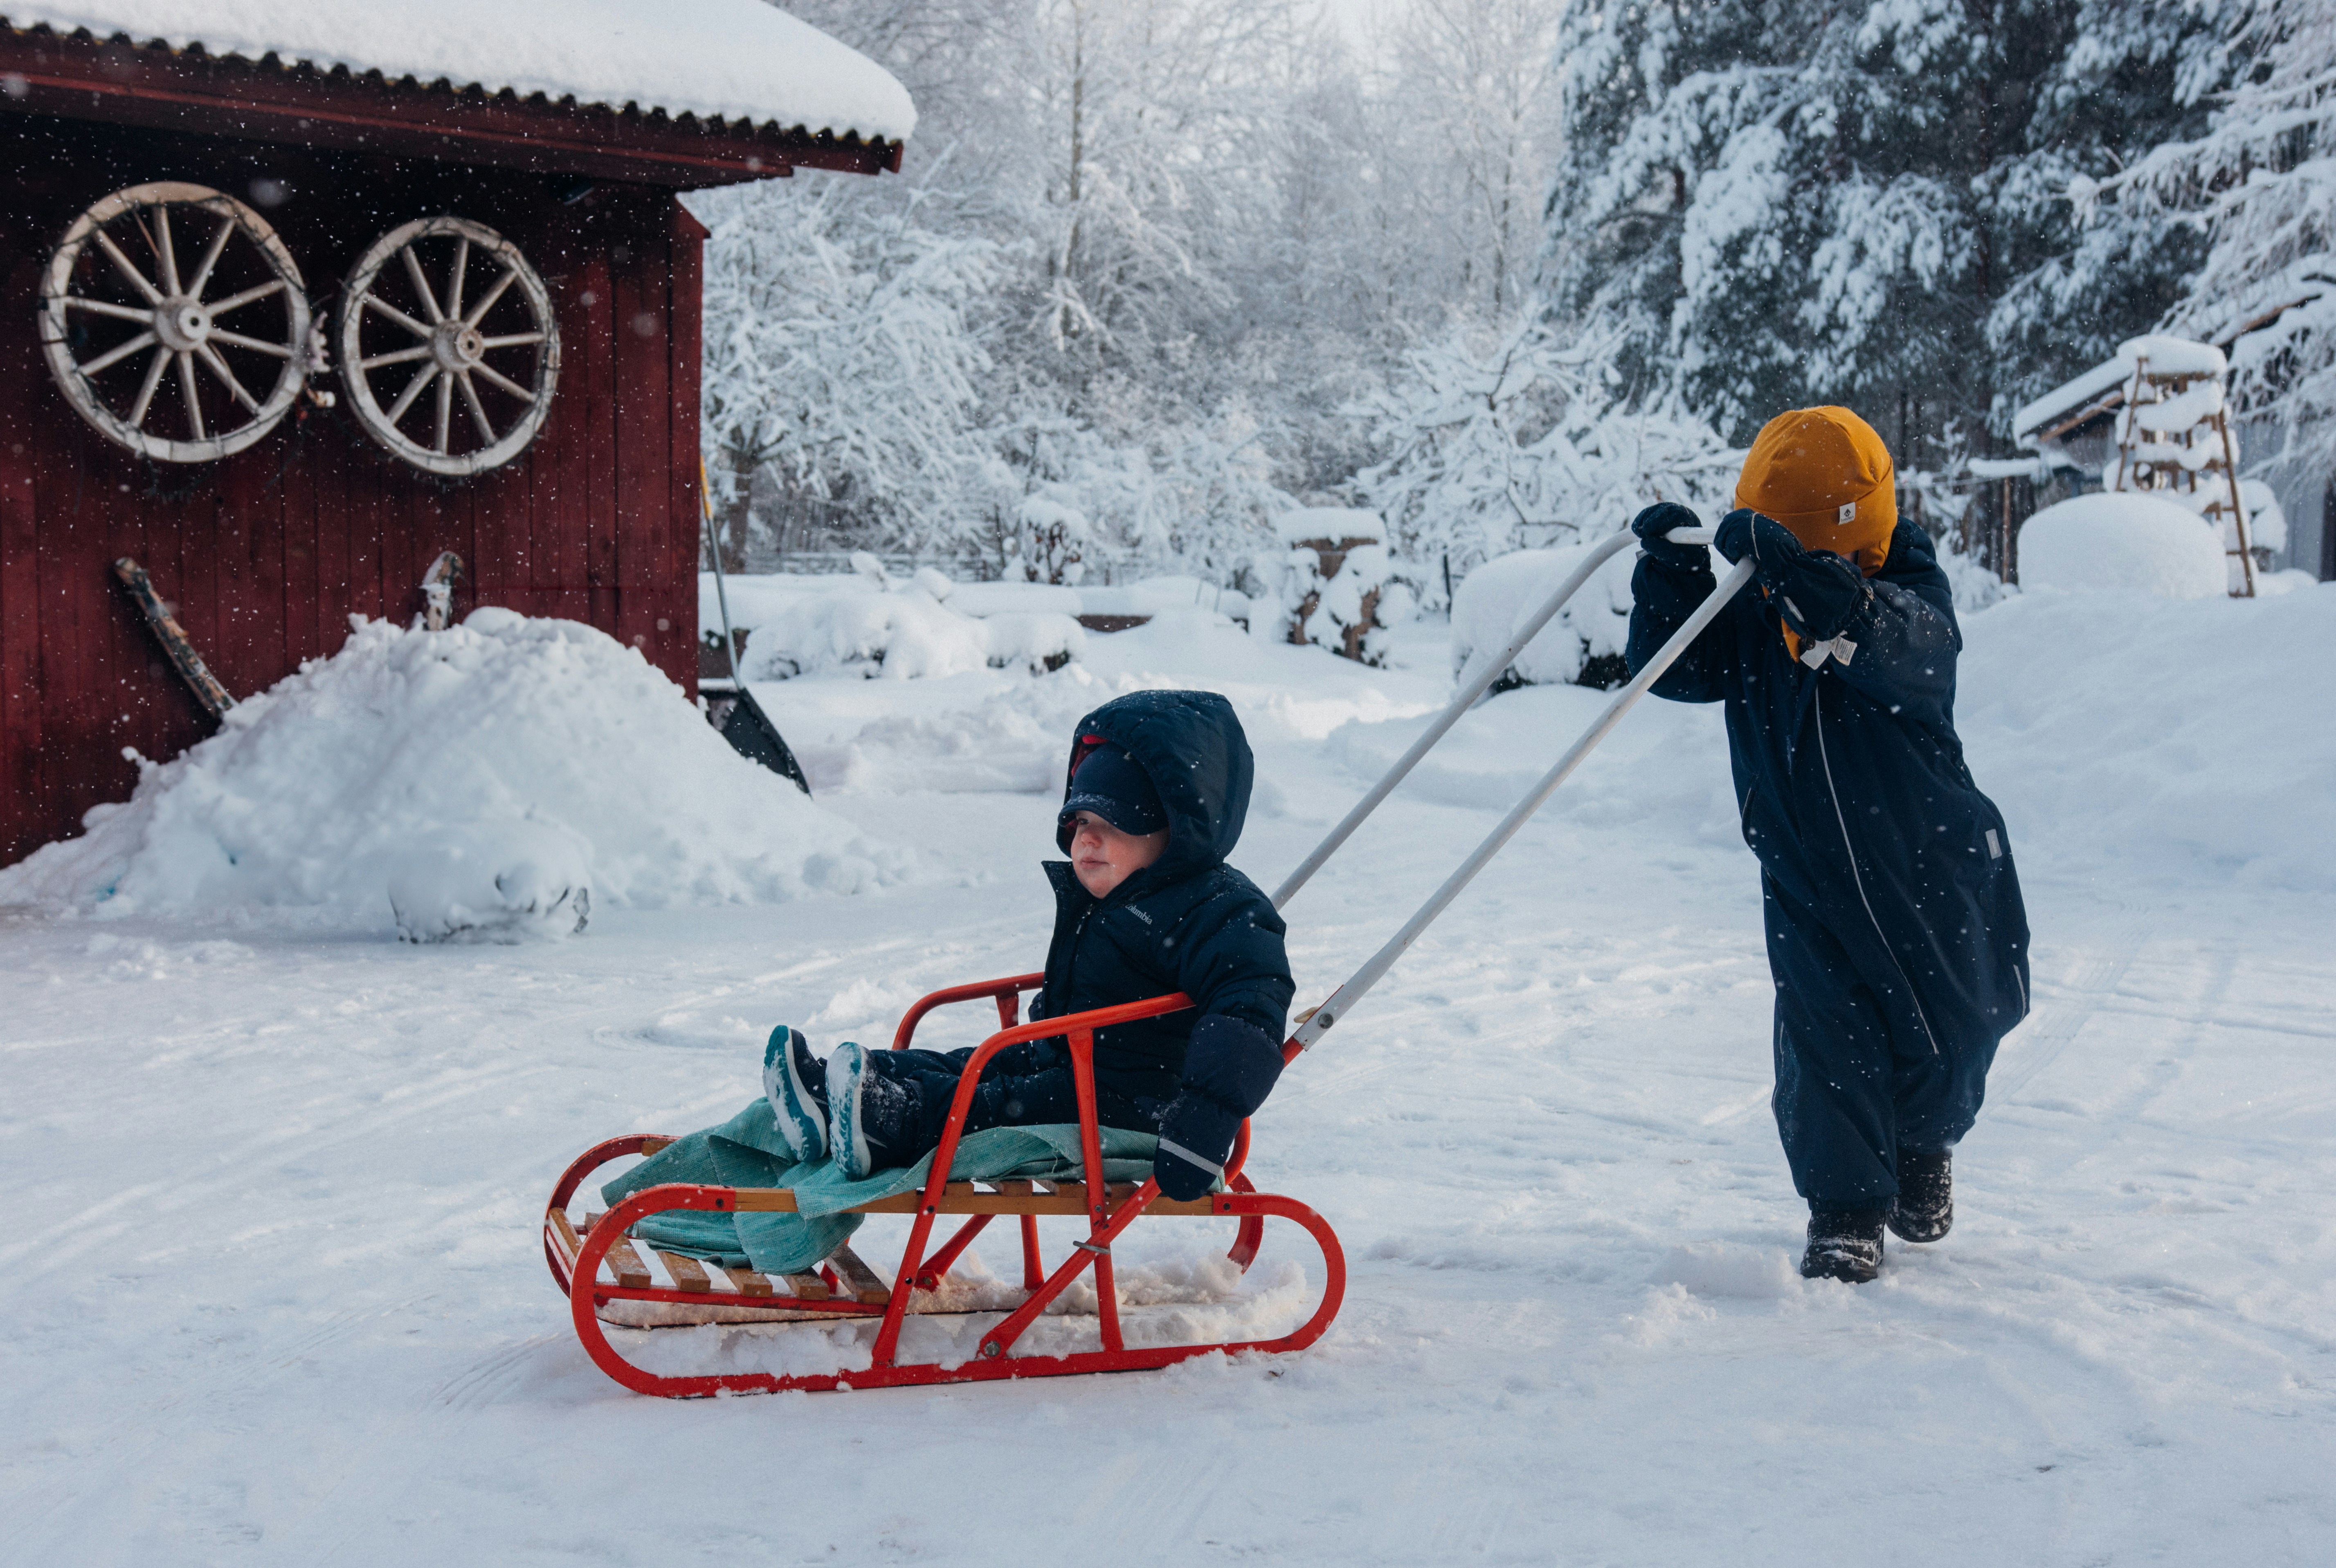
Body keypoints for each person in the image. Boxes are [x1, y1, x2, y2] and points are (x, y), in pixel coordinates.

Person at [1625, 406, 2030, 1283]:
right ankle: (1845, 1210)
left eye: (1836, 552)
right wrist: (1669, 578)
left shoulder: (1910, 593)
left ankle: (1927, 1144)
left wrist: (1828, 593)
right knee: (1826, 1039)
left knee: (1953, 1032)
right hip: (1805, 870)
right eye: (1808, 553)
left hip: (1930, 863)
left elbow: (1912, 651)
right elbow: (1675, 669)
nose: (1826, 568)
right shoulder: (1752, 604)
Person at [760, 688, 1295, 1202]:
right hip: (1066, 1060)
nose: (1087, 838)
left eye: (1112, 823)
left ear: (1171, 828)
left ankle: (887, 1122)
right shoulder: (1120, 891)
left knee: (996, 1104)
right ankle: (840, 1094)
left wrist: (1202, 1121)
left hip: (1131, 1105)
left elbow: (1251, 1005)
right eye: (1081, 819)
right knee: (971, 1066)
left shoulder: (1216, 908)